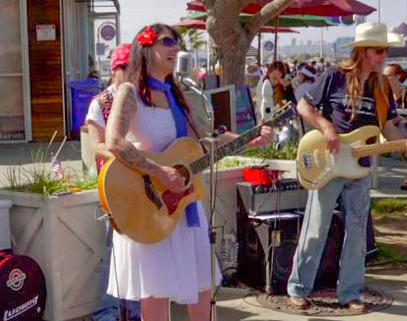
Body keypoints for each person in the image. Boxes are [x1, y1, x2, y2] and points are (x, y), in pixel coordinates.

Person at [104, 23, 271, 321]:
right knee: (154, 297)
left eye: (176, 43)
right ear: (146, 49)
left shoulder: (177, 94)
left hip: (184, 205)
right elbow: (113, 142)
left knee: (203, 289)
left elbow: (202, 144)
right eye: (167, 42)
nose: (174, 48)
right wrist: (160, 171)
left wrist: (247, 139)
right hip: (150, 204)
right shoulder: (129, 92)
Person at [287, 22, 407, 311]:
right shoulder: (334, 76)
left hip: (361, 168)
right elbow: (303, 106)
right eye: (378, 51)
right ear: (362, 51)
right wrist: (326, 126)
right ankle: (298, 288)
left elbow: (389, 129)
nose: (383, 57)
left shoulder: (380, 87)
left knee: (356, 234)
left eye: (385, 51)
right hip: (328, 165)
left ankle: (350, 293)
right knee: (316, 228)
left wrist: (403, 146)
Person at [85, 43, 141, 321]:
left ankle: (136, 310)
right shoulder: (101, 102)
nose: (131, 75)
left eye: (135, 69)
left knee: (140, 247)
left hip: (143, 184)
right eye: (126, 69)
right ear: (115, 70)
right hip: (114, 184)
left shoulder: (143, 99)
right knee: (114, 249)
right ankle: (107, 310)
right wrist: (128, 155)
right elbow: (96, 145)